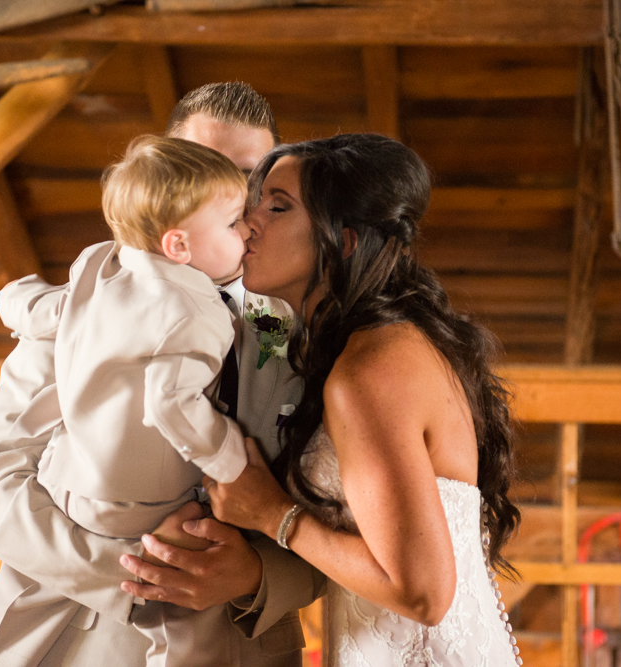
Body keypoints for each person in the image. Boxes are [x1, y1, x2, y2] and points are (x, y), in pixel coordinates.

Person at [0, 83, 320, 667]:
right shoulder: (90, 299)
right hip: (71, 643)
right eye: (198, 166)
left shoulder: (298, 323)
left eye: (246, 178)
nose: (222, 191)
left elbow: (346, 527)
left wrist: (253, 572)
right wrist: (146, 574)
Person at [200, 133, 524, 665]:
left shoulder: (369, 371)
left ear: (343, 240)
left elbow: (423, 593)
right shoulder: (383, 344)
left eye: (277, 207)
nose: (248, 221)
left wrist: (273, 514)